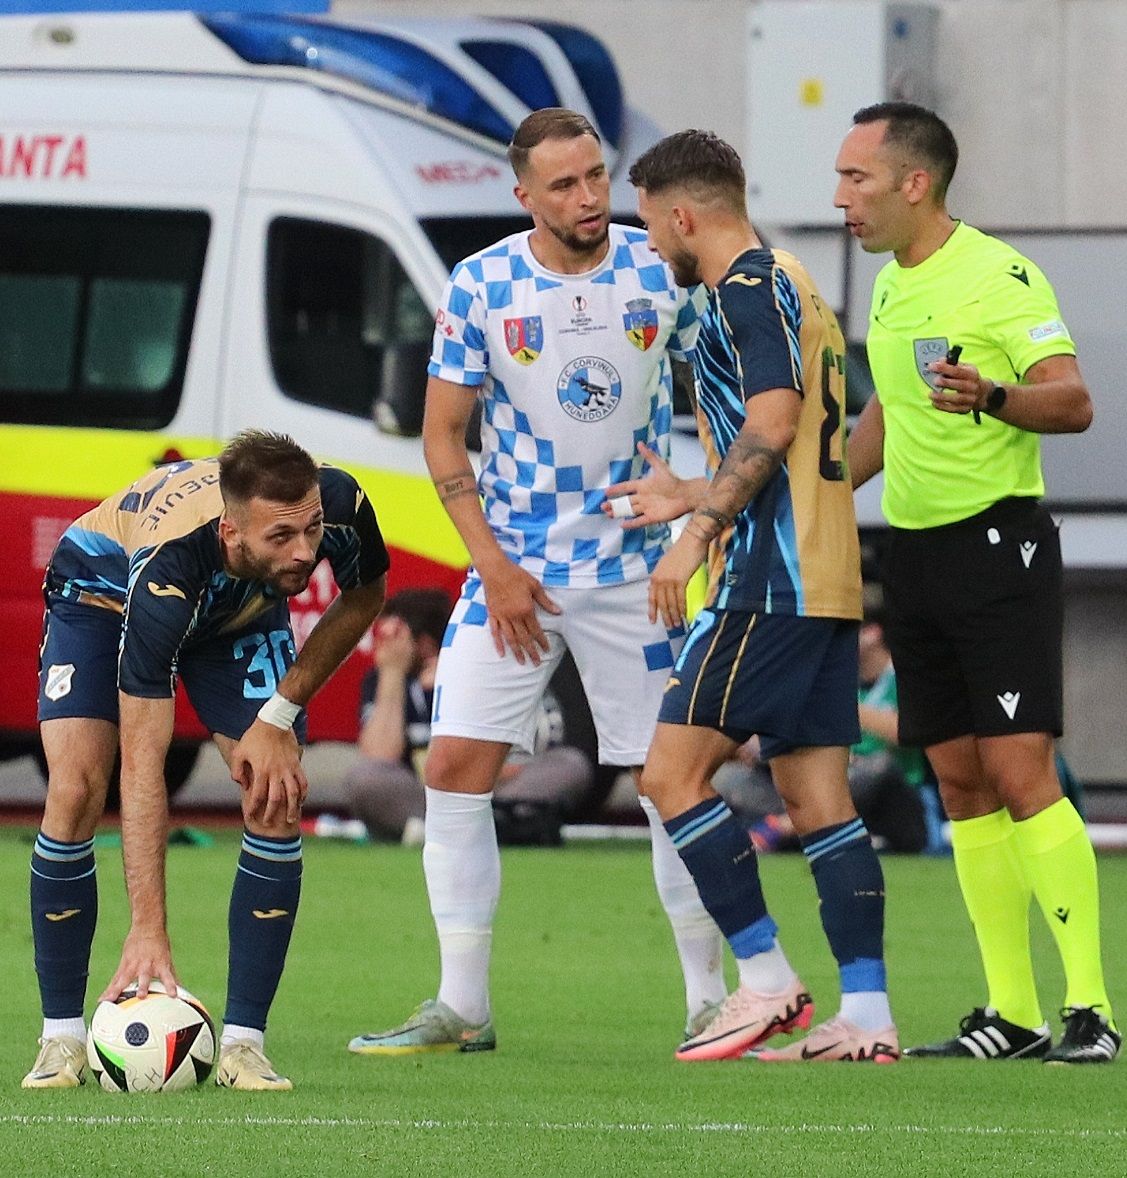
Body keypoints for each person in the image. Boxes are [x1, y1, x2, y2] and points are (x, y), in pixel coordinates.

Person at [346, 107, 723, 1056]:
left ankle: (712, 1004)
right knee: (452, 771)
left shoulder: (657, 270)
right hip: (514, 570)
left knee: (668, 781)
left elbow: (718, 401)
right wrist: (493, 566)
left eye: (595, 176)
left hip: (637, 570)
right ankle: (462, 1006)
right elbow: (442, 433)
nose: (589, 197)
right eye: (564, 184)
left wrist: (701, 513)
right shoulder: (481, 284)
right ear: (524, 197)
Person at [836, 101, 1118, 1063]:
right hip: (911, 556)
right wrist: (820, 487)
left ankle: (1089, 1008)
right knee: (957, 782)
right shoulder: (886, 285)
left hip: (998, 548)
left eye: (856, 180)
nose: (841, 198)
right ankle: (1013, 1011)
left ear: (915, 184)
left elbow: (1073, 399)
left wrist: (995, 396)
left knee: (1016, 770)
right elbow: (889, 414)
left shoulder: (999, 275)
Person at [620, 129, 898, 1063]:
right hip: (825, 574)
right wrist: (695, 491)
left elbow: (774, 422)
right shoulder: (795, 280)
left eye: (654, 223)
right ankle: (866, 1014)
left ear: (683, 213)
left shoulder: (741, 285)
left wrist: (693, 535)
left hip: (765, 582)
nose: (653, 242)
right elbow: (815, 437)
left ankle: (765, 981)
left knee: (668, 775)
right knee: (816, 794)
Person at [23, 430, 389, 1091]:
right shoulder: (166, 570)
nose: (305, 552)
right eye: (282, 537)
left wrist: (278, 716)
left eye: (310, 530)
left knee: (276, 795)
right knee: (76, 789)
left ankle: (245, 1047)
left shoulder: (337, 501)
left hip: (237, 617)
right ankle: (61, 1041)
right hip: (101, 594)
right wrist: (148, 929)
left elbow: (364, 596)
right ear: (231, 530)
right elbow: (143, 761)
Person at [342, 587, 593, 844]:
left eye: (394, 636)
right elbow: (378, 757)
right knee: (364, 778)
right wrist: (392, 675)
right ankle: (498, 829)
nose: (383, 647)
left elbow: (515, 752)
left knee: (570, 765)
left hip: (496, 791)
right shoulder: (383, 678)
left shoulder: (474, 668)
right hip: (425, 796)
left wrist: (454, 682)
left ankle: (480, 826)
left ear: (425, 643)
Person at [720, 606, 929, 855]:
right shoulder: (837, 680)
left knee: (879, 767)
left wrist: (839, 705)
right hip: (827, 785)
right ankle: (786, 828)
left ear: (873, 633)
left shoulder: (905, 677)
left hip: (890, 801)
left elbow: (907, 733)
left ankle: (785, 828)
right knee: (730, 776)